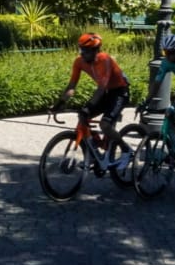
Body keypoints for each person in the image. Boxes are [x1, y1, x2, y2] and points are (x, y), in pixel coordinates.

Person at [54, 32, 133, 170]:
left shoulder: (105, 60)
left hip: (120, 91)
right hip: (106, 92)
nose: (82, 53)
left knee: (105, 124)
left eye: (86, 51)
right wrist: (59, 104)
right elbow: (72, 86)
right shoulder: (79, 62)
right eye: (81, 50)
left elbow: (101, 88)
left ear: (96, 50)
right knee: (83, 117)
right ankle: (92, 153)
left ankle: (126, 150)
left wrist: (88, 106)